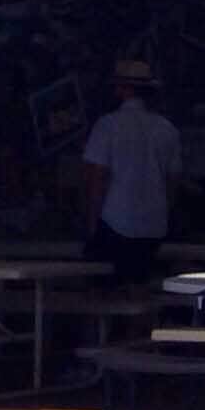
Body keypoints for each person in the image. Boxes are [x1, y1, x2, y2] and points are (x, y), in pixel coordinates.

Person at [80, 61, 180, 284]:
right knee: (140, 284)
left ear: (121, 89)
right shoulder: (167, 128)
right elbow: (172, 182)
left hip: (116, 222)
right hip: (154, 226)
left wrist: (91, 223)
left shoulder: (107, 125)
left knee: (103, 288)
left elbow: (97, 177)